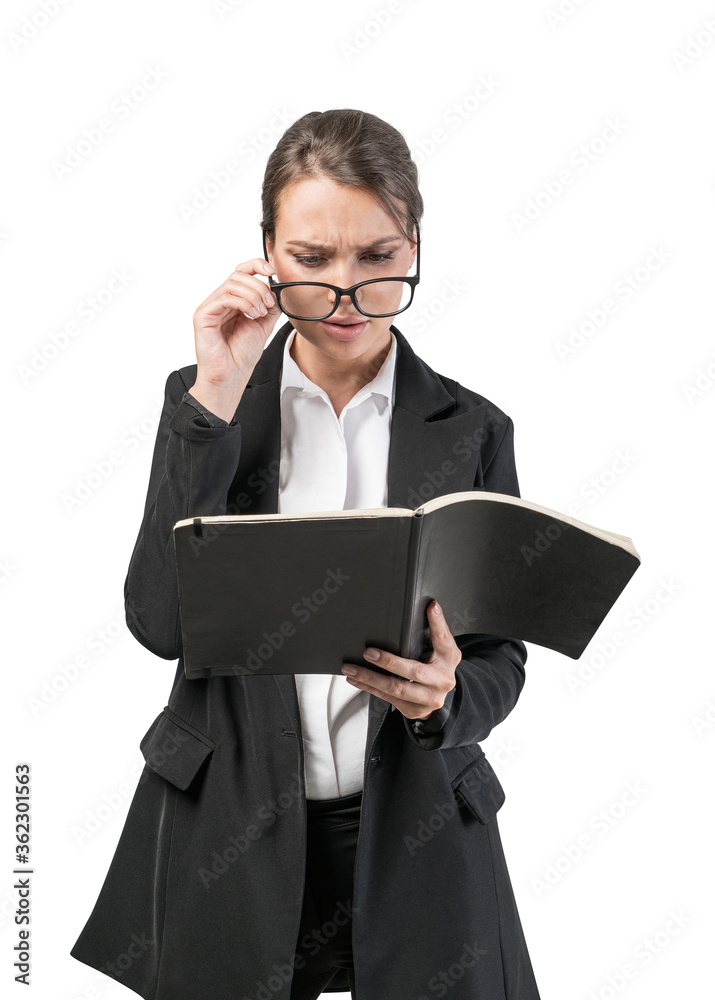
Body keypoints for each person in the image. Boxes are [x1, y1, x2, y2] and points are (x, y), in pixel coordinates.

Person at [69, 108, 542, 1000]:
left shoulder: (472, 429)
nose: (347, 295)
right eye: (313, 262)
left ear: (413, 244)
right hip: (231, 826)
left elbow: (500, 661)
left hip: (412, 829)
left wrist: (446, 698)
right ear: (267, 254)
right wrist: (212, 393)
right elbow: (161, 624)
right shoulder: (210, 402)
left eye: (377, 259)